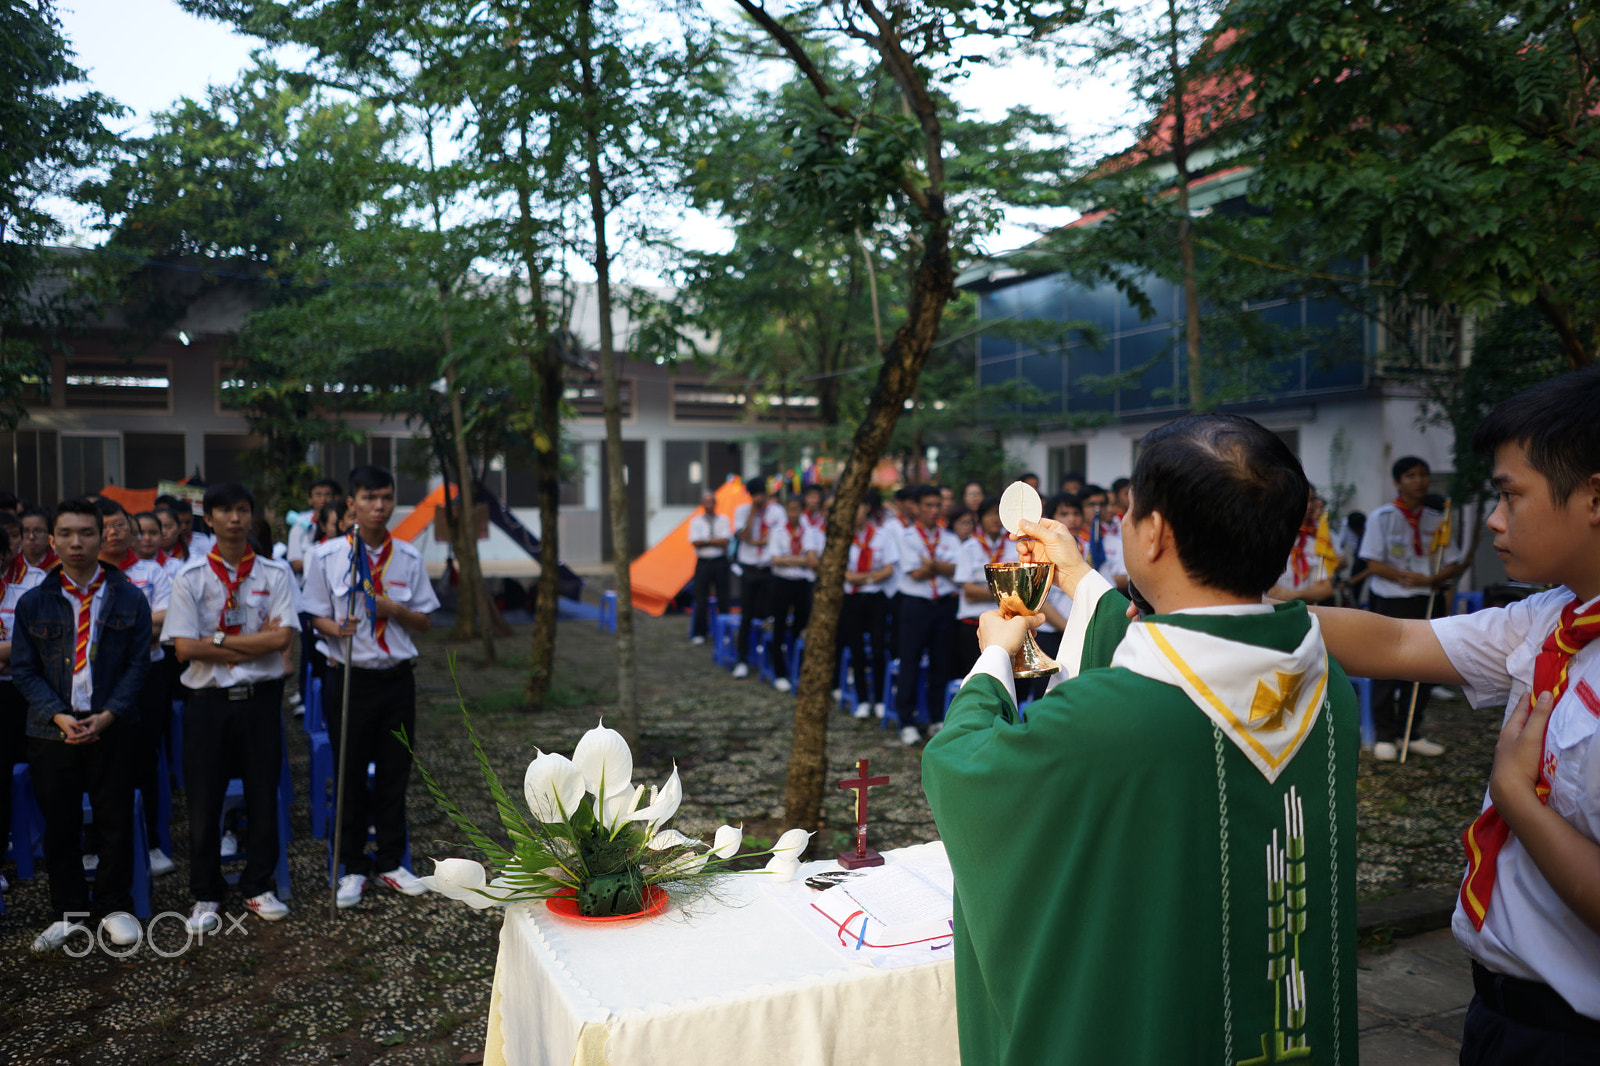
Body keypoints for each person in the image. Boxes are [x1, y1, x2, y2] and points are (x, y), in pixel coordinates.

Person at [923, 414, 1359, 1065]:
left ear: (1153, 532)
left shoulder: (1112, 717)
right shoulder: (1327, 689)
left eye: (1129, 512)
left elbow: (965, 766)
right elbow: (1178, 641)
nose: (1123, 524)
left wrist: (993, 657)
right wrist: (1077, 578)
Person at [1312, 367, 1600, 1063]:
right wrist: (1221, 617)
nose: (1495, 520)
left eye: (1510, 495)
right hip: (1501, 1010)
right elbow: (1396, 639)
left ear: (1594, 498)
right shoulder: (1554, 617)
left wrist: (1514, 799)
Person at [12, 499, 153, 953]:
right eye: (67, 533)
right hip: (51, 729)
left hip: (112, 725)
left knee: (114, 818)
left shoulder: (129, 595)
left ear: (102, 537)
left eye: (87, 533)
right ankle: (68, 912)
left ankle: (115, 906)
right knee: (60, 823)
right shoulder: (33, 602)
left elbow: (137, 665)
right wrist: (59, 715)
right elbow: (24, 669)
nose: (77, 542)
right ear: (52, 540)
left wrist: (108, 714)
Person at [163, 483, 299, 929]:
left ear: (251, 516)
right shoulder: (190, 576)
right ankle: (205, 893)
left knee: (263, 794)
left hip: (260, 701)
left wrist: (216, 642)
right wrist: (248, 646)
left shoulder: (275, 574)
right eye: (225, 511)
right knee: (203, 799)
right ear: (210, 519)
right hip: (207, 703)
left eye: (243, 509)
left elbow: (282, 640)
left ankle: (258, 886)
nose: (235, 518)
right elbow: (183, 648)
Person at [303, 465, 439, 908]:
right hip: (348, 677)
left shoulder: (409, 558)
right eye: (369, 498)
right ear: (352, 504)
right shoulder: (327, 557)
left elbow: (425, 621)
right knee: (349, 772)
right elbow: (312, 615)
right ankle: (351, 867)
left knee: (395, 771)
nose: (379, 507)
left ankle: (391, 861)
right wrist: (331, 627)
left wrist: (391, 608)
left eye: (385, 497)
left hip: (395, 678)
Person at [1357, 457, 1463, 761]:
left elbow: (1452, 561)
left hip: (1426, 598)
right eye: (1411, 475)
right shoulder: (1382, 517)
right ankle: (1385, 736)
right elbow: (1373, 563)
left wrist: (1430, 579)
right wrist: (1406, 578)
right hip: (1391, 599)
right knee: (1387, 667)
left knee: (1425, 667)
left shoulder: (1436, 518)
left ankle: (1411, 732)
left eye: (1424, 475)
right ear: (1398, 482)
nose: (1420, 481)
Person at [96, 499, 176, 878]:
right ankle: (95, 844)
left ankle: (153, 843)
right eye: (106, 526)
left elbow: (168, 617)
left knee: (146, 758)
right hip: (97, 681)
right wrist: (143, 626)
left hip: (148, 676)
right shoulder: (85, 576)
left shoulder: (152, 571)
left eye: (120, 524)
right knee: (98, 763)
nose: (114, 531)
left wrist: (115, 631)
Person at [891, 486, 960, 745]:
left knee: (941, 663)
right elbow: (915, 573)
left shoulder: (950, 537)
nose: (933, 511)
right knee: (910, 661)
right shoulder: (907, 537)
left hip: (943, 604)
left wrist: (930, 564)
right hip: (915, 604)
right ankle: (906, 720)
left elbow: (956, 570)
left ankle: (935, 719)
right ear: (917, 508)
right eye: (928, 505)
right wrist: (939, 567)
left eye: (937, 505)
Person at [839, 492, 897, 720]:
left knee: (877, 646)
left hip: (875, 598)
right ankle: (862, 699)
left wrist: (863, 578)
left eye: (859, 507)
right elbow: (842, 572)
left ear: (866, 509)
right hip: (851, 599)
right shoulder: (842, 538)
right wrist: (867, 576)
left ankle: (881, 699)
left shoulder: (881, 536)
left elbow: (888, 570)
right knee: (855, 648)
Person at [953, 497, 1016, 678]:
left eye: (998, 513)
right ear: (979, 519)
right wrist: (1006, 593)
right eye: (989, 514)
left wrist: (985, 592)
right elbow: (969, 593)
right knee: (974, 677)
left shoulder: (1014, 548)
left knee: (1004, 677)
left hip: (1005, 625)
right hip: (973, 625)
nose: (995, 518)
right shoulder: (969, 548)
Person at [768, 495, 823, 693]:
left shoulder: (810, 532)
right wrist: (799, 560)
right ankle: (780, 672)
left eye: (796, 509)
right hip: (782, 582)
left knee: (801, 627)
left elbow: (812, 560)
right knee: (779, 626)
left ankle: (799, 669)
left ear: (802, 510)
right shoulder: (778, 531)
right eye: (789, 510)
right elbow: (775, 559)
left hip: (802, 583)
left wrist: (789, 559)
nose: (793, 514)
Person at [730, 480, 783, 681]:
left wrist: (758, 541)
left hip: (769, 569)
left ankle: (770, 658)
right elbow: (742, 535)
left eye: (761, 494)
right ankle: (742, 660)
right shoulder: (742, 511)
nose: (758, 498)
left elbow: (778, 537)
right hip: (749, 568)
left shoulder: (777, 511)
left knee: (770, 616)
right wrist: (753, 512)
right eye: (754, 495)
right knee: (746, 615)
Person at [1269, 493, 1336, 607]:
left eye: (1311, 500)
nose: (1309, 505)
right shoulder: (1269, 540)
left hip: (1305, 612)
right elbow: (1270, 591)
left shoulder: (1316, 543)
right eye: (1303, 499)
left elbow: (1326, 589)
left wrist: (1293, 595)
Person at [688, 491, 731, 645]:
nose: (708, 505)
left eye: (711, 502)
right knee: (700, 598)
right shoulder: (696, 522)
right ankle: (700, 632)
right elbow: (695, 542)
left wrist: (706, 541)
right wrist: (715, 541)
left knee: (723, 597)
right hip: (703, 562)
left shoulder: (723, 520)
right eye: (705, 502)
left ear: (715, 503)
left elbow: (726, 541)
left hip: (720, 561)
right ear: (702, 504)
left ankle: (725, 632)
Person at [287, 479, 341, 577]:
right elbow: (295, 563)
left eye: (327, 495)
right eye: (318, 495)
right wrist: (323, 563)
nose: (323, 499)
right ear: (310, 500)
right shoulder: (300, 524)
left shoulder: (341, 522)